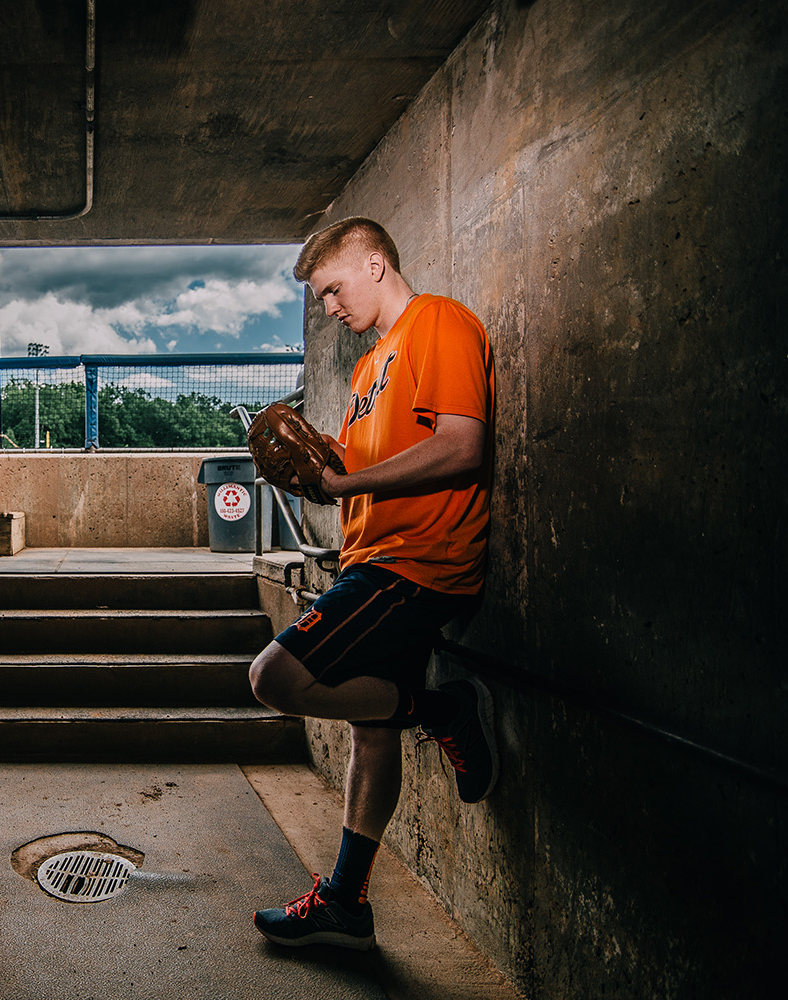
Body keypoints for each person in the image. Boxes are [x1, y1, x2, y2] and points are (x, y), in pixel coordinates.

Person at [249, 217, 497, 950]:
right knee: (369, 728)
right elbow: (340, 476)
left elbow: (461, 446)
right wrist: (317, 470)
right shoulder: (368, 370)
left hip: (416, 563)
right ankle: (346, 901)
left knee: (274, 678)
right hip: (372, 560)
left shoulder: (439, 322)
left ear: (375, 263)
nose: (329, 308)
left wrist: (347, 478)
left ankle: (440, 707)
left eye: (332, 289)